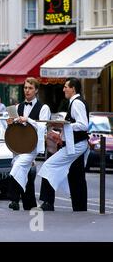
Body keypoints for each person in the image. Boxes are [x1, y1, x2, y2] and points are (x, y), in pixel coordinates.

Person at [38, 77, 90, 211]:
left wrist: (64, 125)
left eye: (66, 86)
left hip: (77, 145)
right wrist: (61, 132)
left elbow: (83, 125)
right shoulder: (75, 102)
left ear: (73, 88)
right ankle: (79, 207)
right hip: (77, 144)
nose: (63, 89)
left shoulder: (77, 103)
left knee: (49, 165)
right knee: (76, 175)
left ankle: (48, 203)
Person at [7, 77, 50, 211]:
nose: (27, 90)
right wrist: (10, 123)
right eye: (25, 88)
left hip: (33, 146)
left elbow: (43, 126)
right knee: (25, 174)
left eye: (30, 88)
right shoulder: (18, 106)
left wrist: (28, 120)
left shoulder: (44, 108)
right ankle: (29, 204)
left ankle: (14, 200)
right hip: (19, 146)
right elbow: (14, 130)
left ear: (36, 90)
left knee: (17, 169)